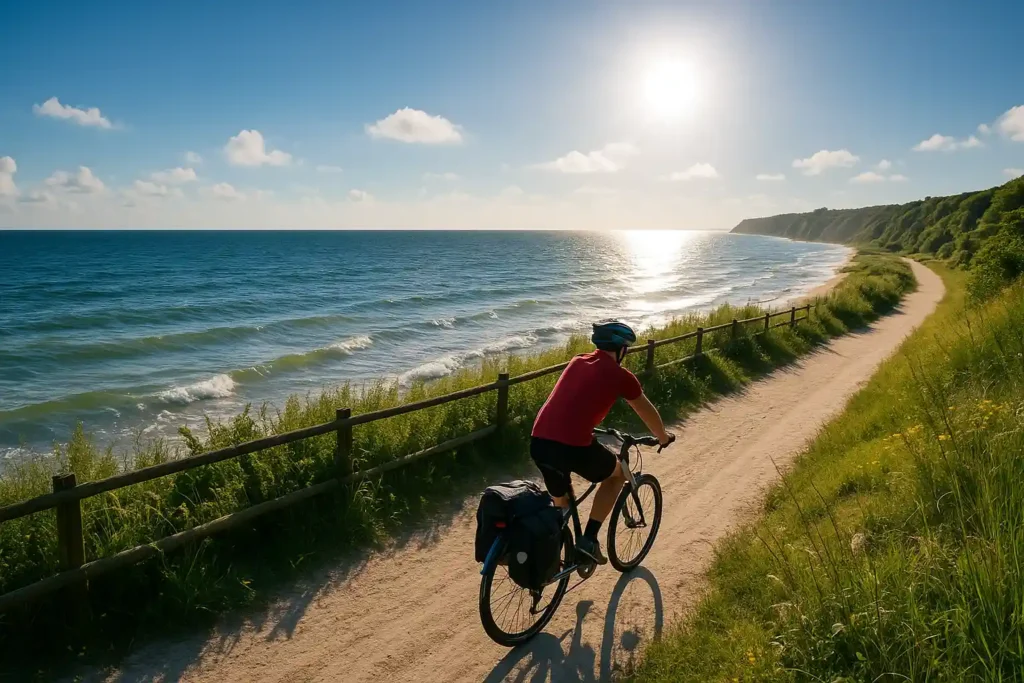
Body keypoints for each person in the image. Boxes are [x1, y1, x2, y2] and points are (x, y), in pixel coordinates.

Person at [530, 319, 674, 565]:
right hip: (573, 447)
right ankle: (588, 541)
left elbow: (571, 402)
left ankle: (547, 556)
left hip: (539, 442)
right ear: (621, 349)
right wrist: (663, 437)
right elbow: (645, 411)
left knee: (561, 506)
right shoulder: (621, 376)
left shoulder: (577, 361)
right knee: (617, 475)